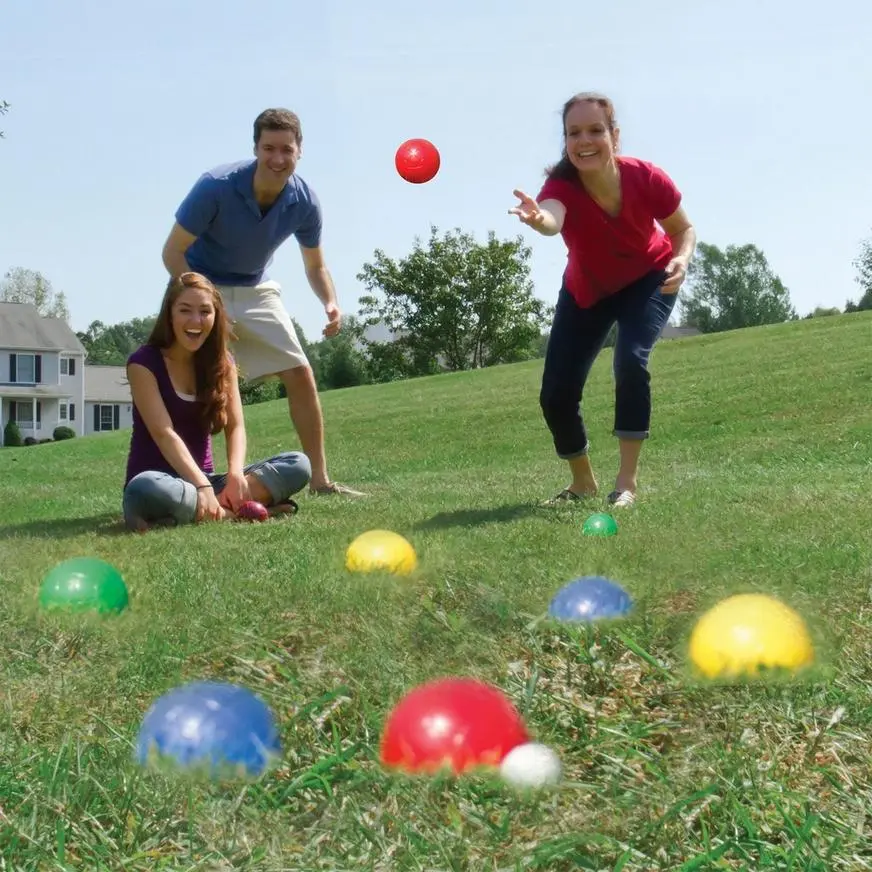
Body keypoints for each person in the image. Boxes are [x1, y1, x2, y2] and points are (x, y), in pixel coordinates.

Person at [160, 107, 364, 498]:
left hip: (256, 288)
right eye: (269, 148)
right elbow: (172, 254)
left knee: (300, 372)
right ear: (256, 148)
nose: (277, 158)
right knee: (187, 384)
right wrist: (209, 306)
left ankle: (320, 481)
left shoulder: (304, 201)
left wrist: (330, 301)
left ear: (299, 151)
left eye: (286, 149)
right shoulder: (215, 186)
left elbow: (315, 264)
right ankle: (183, 486)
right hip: (200, 284)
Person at [510, 92, 696, 508]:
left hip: (648, 279)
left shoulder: (645, 177)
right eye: (574, 132)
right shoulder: (560, 186)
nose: (584, 140)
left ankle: (626, 483)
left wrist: (681, 259)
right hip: (587, 290)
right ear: (565, 141)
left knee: (630, 360)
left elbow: (683, 229)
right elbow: (552, 217)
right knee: (555, 392)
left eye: (595, 130)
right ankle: (582, 483)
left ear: (614, 135)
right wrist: (538, 217)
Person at [122, 271, 312, 532]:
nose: (196, 320)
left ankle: (210, 510)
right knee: (145, 487)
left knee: (298, 464)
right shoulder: (143, 363)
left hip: (209, 483)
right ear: (170, 315)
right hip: (160, 483)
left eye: (205, 311)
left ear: (216, 316)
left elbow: (236, 427)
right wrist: (201, 486)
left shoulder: (223, 364)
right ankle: (234, 513)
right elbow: (164, 433)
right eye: (185, 310)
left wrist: (234, 475)